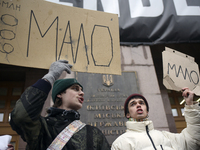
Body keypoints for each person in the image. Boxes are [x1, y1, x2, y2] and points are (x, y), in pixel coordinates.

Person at [10, 60, 110, 150]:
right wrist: (51, 76)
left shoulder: (93, 133)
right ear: (59, 94)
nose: (82, 93)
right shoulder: (43, 128)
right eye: (75, 89)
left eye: (81, 90)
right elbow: (21, 115)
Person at [111, 88, 200, 150]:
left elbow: (193, 141)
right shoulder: (120, 144)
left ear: (147, 111)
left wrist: (190, 104)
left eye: (141, 103)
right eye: (133, 104)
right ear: (127, 114)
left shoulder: (166, 136)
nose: (138, 105)